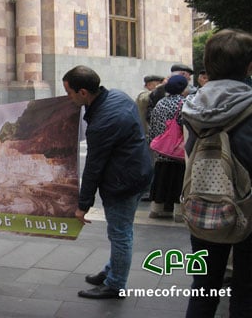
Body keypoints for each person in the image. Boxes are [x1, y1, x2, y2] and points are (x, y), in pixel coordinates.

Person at [62, 65, 153, 299]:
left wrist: (83, 205)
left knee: (120, 233)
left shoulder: (103, 123)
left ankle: (115, 284)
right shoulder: (117, 96)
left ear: (83, 92)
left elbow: (93, 166)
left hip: (123, 181)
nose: (68, 98)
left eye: (69, 93)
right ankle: (112, 270)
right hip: (137, 172)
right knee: (122, 230)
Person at [181, 29, 252, 318]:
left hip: (201, 206)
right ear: (249, 66)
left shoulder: (192, 106)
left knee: (204, 288)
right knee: (246, 292)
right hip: (247, 211)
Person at [147, 75, 188, 221]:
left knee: (160, 179)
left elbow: (152, 124)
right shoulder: (184, 103)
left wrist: (153, 143)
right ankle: (178, 212)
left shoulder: (160, 103)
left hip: (161, 150)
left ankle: (155, 209)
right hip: (177, 151)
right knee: (178, 180)